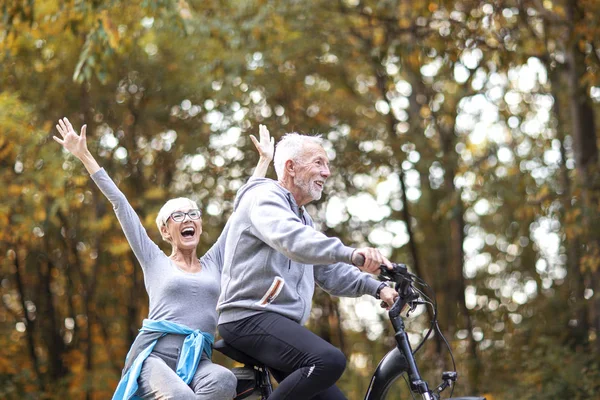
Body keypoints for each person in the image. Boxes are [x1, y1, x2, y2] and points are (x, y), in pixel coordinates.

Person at [53, 117, 274, 400]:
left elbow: (241, 213)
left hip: (198, 362)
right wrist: (84, 155)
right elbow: (120, 204)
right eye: (178, 216)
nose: (188, 219)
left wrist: (264, 162)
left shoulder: (215, 261)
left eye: (193, 213)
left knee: (223, 380)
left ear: (200, 224)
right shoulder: (155, 261)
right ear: (165, 231)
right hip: (154, 360)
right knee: (182, 397)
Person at [217, 132, 399, 400]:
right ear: (291, 167)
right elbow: (294, 240)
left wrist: (377, 287)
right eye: (318, 163)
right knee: (330, 360)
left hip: (278, 324)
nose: (327, 172)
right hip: (248, 317)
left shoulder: (302, 219)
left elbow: (328, 272)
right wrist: (353, 254)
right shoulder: (264, 198)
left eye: (327, 165)